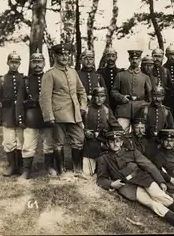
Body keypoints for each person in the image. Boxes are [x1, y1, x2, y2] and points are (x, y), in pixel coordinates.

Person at [95, 131, 174, 230]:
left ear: (121, 142)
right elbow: (101, 179)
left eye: (117, 141)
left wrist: (161, 181)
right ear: (107, 144)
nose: (115, 144)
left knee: (158, 195)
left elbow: (149, 166)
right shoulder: (104, 158)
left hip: (142, 178)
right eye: (112, 142)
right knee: (151, 203)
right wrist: (112, 184)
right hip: (126, 186)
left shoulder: (132, 152)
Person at [39, 43, 88, 176]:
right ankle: (62, 172)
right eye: (61, 54)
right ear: (55, 56)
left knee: (79, 139)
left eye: (67, 54)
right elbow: (45, 98)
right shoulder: (50, 74)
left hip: (75, 114)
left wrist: (83, 107)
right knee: (58, 143)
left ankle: (77, 170)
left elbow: (81, 91)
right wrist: (49, 116)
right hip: (58, 114)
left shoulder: (73, 72)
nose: (65, 57)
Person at [20, 50, 57, 179]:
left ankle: (49, 167)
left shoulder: (50, 77)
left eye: (39, 62)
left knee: (49, 144)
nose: (37, 65)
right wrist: (21, 118)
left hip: (47, 116)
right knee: (28, 145)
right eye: (34, 62)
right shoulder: (25, 81)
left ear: (44, 63)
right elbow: (20, 101)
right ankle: (26, 171)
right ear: (30, 64)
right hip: (32, 117)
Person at [0, 51, 26, 176]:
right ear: (7, 63)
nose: (14, 65)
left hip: (20, 115)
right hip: (7, 116)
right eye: (12, 62)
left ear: (19, 64)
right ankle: (12, 166)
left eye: (16, 62)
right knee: (8, 141)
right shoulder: (1, 80)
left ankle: (21, 166)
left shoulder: (23, 79)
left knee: (20, 140)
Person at [82, 87, 122, 176]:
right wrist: (85, 131)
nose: (100, 99)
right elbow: (79, 124)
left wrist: (118, 134)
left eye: (102, 96)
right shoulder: (86, 109)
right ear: (93, 97)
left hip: (103, 145)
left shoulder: (107, 110)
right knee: (87, 173)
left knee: (104, 171)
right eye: (97, 96)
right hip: (89, 145)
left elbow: (116, 125)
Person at [111, 50, 152, 133]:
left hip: (140, 109)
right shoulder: (120, 75)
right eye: (133, 59)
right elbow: (113, 91)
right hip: (124, 109)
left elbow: (150, 95)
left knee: (140, 134)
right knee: (120, 132)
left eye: (137, 59)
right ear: (129, 59)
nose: (135, 61)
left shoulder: (145, 77)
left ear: (140, 60)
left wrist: (147, 107)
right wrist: (121, 97)